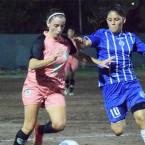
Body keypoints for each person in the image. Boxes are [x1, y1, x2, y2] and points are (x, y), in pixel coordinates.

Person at [13, 8, 115, 145]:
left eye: (62, 26)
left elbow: (79, 55)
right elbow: (32, 64)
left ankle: (40, 130)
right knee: (28, 126)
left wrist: (99, 62)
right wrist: (50, 59)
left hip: (54, 88)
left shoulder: (66, 41)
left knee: (59, 124)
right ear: (48, 24)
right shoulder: (41, 41)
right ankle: (30, 131)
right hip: (35, 86)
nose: (59, 29)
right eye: (56, 26)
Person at [75, 3, 145, 144]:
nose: (113, 23)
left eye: (116, 19)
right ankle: (121, 111)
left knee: (142, 117)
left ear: (123, 20)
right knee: (118, 130)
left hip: (131, 83)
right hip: (111, 87)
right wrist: (80, 43)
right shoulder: (101, 35)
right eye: (109, 20)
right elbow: (85, 43)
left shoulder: (131, 38)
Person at [64, 27, 78, 96]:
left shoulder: (76, 40)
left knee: (72, 75)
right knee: (66, 75)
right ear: (67, 33)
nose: (70, 33)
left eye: (71, 31)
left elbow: (79, 50)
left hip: (74, 59)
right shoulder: (65, 40)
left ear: (73, 32)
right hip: (67, 59)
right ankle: (66, 88)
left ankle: (71, 91)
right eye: (69, 31)